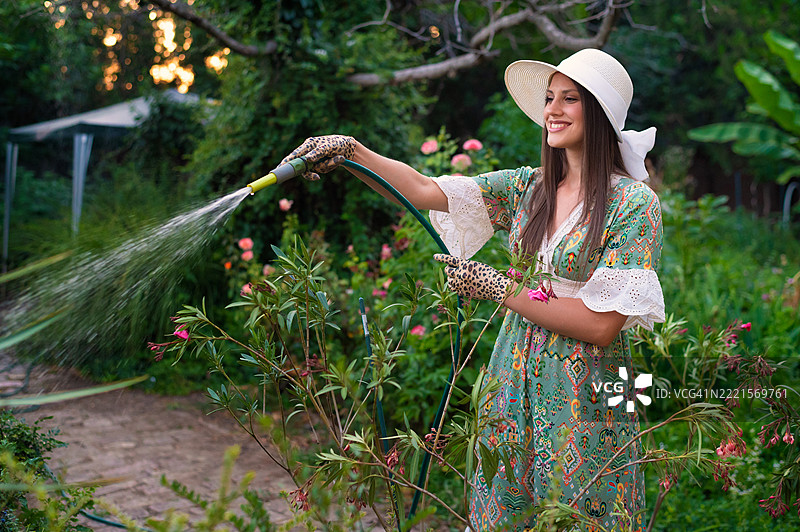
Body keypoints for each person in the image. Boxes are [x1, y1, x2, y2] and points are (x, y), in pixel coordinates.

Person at [281, 48, 665, 531]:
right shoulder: (531, 188)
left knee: (585, 509)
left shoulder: (634, 203)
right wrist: (352, 152)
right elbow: (422, 189)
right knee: (504, 506)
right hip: (513, 373)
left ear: (602, 113)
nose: (553, 110)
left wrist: (498, 286)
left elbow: (602, 326)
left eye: (570, 99)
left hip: (594, 388)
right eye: (549, 98)